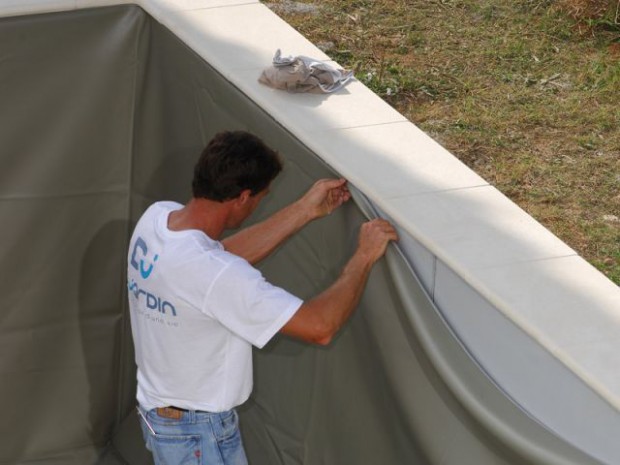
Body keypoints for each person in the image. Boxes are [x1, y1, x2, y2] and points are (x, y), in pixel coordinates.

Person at [127, 130, 398, 465]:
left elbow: (217, 258)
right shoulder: (214, 274)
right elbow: (320, 326)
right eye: (261, 197)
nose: (260, 203)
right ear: (242, 197)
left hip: (164, 419)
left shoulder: (157, 221)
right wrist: (364, 256)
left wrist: (304, 210)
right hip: (198, 435)